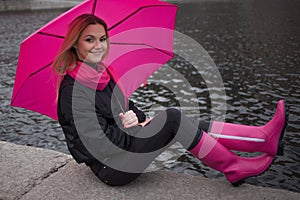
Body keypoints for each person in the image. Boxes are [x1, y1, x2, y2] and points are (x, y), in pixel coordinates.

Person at [53, 14, 287, 187]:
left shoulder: (102, 74)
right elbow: (100, 146)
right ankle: (235, 164)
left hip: (123, 149)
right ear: (75, 44)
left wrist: (137, 117)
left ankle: (262, 140)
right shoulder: (72, 92)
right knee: (172, 118)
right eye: (90, 40)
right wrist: (134, 128)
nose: (99, 45)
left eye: (102, 38)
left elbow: (128, 108)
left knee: (181, 122)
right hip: (112, 167)